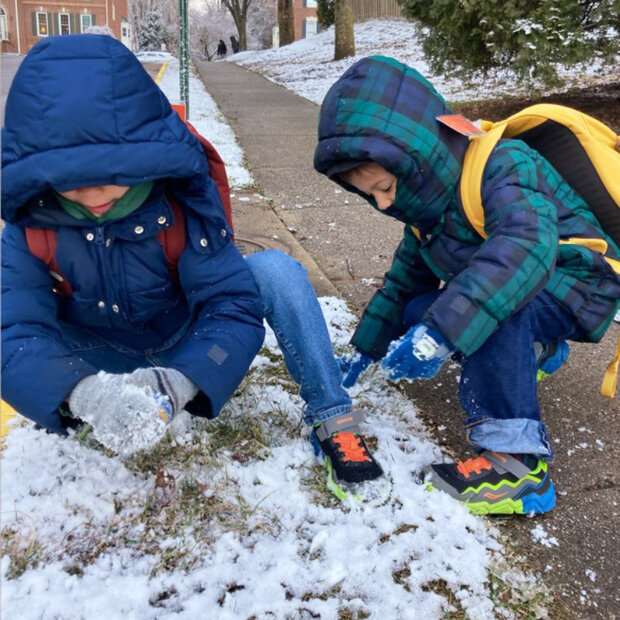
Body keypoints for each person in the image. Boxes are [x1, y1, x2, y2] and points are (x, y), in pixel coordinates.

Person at [1, 35, 383, 494]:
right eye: (70, 181)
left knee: (275, 272)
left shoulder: (181, 202)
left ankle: (332, 414)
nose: (93, 194)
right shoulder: (30, 227)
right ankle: (87, 402)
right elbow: (13, 333)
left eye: (110, 173)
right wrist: (84, 394)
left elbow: (229, 304)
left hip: (184, 344)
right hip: (98, 358)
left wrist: (178, 382)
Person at [314, 56, 620, 515]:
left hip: (577, 279)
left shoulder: (505, 166)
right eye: (370, 195)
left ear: (418, 159)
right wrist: (366, 349)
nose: (382, 203)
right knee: (422, 309)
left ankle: (518, 466)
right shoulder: (426, 214)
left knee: (488, 307)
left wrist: (441, 336)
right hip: (528, 285)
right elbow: (402, 286)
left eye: (384, 187)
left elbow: (522, 249)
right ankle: (534, 350)